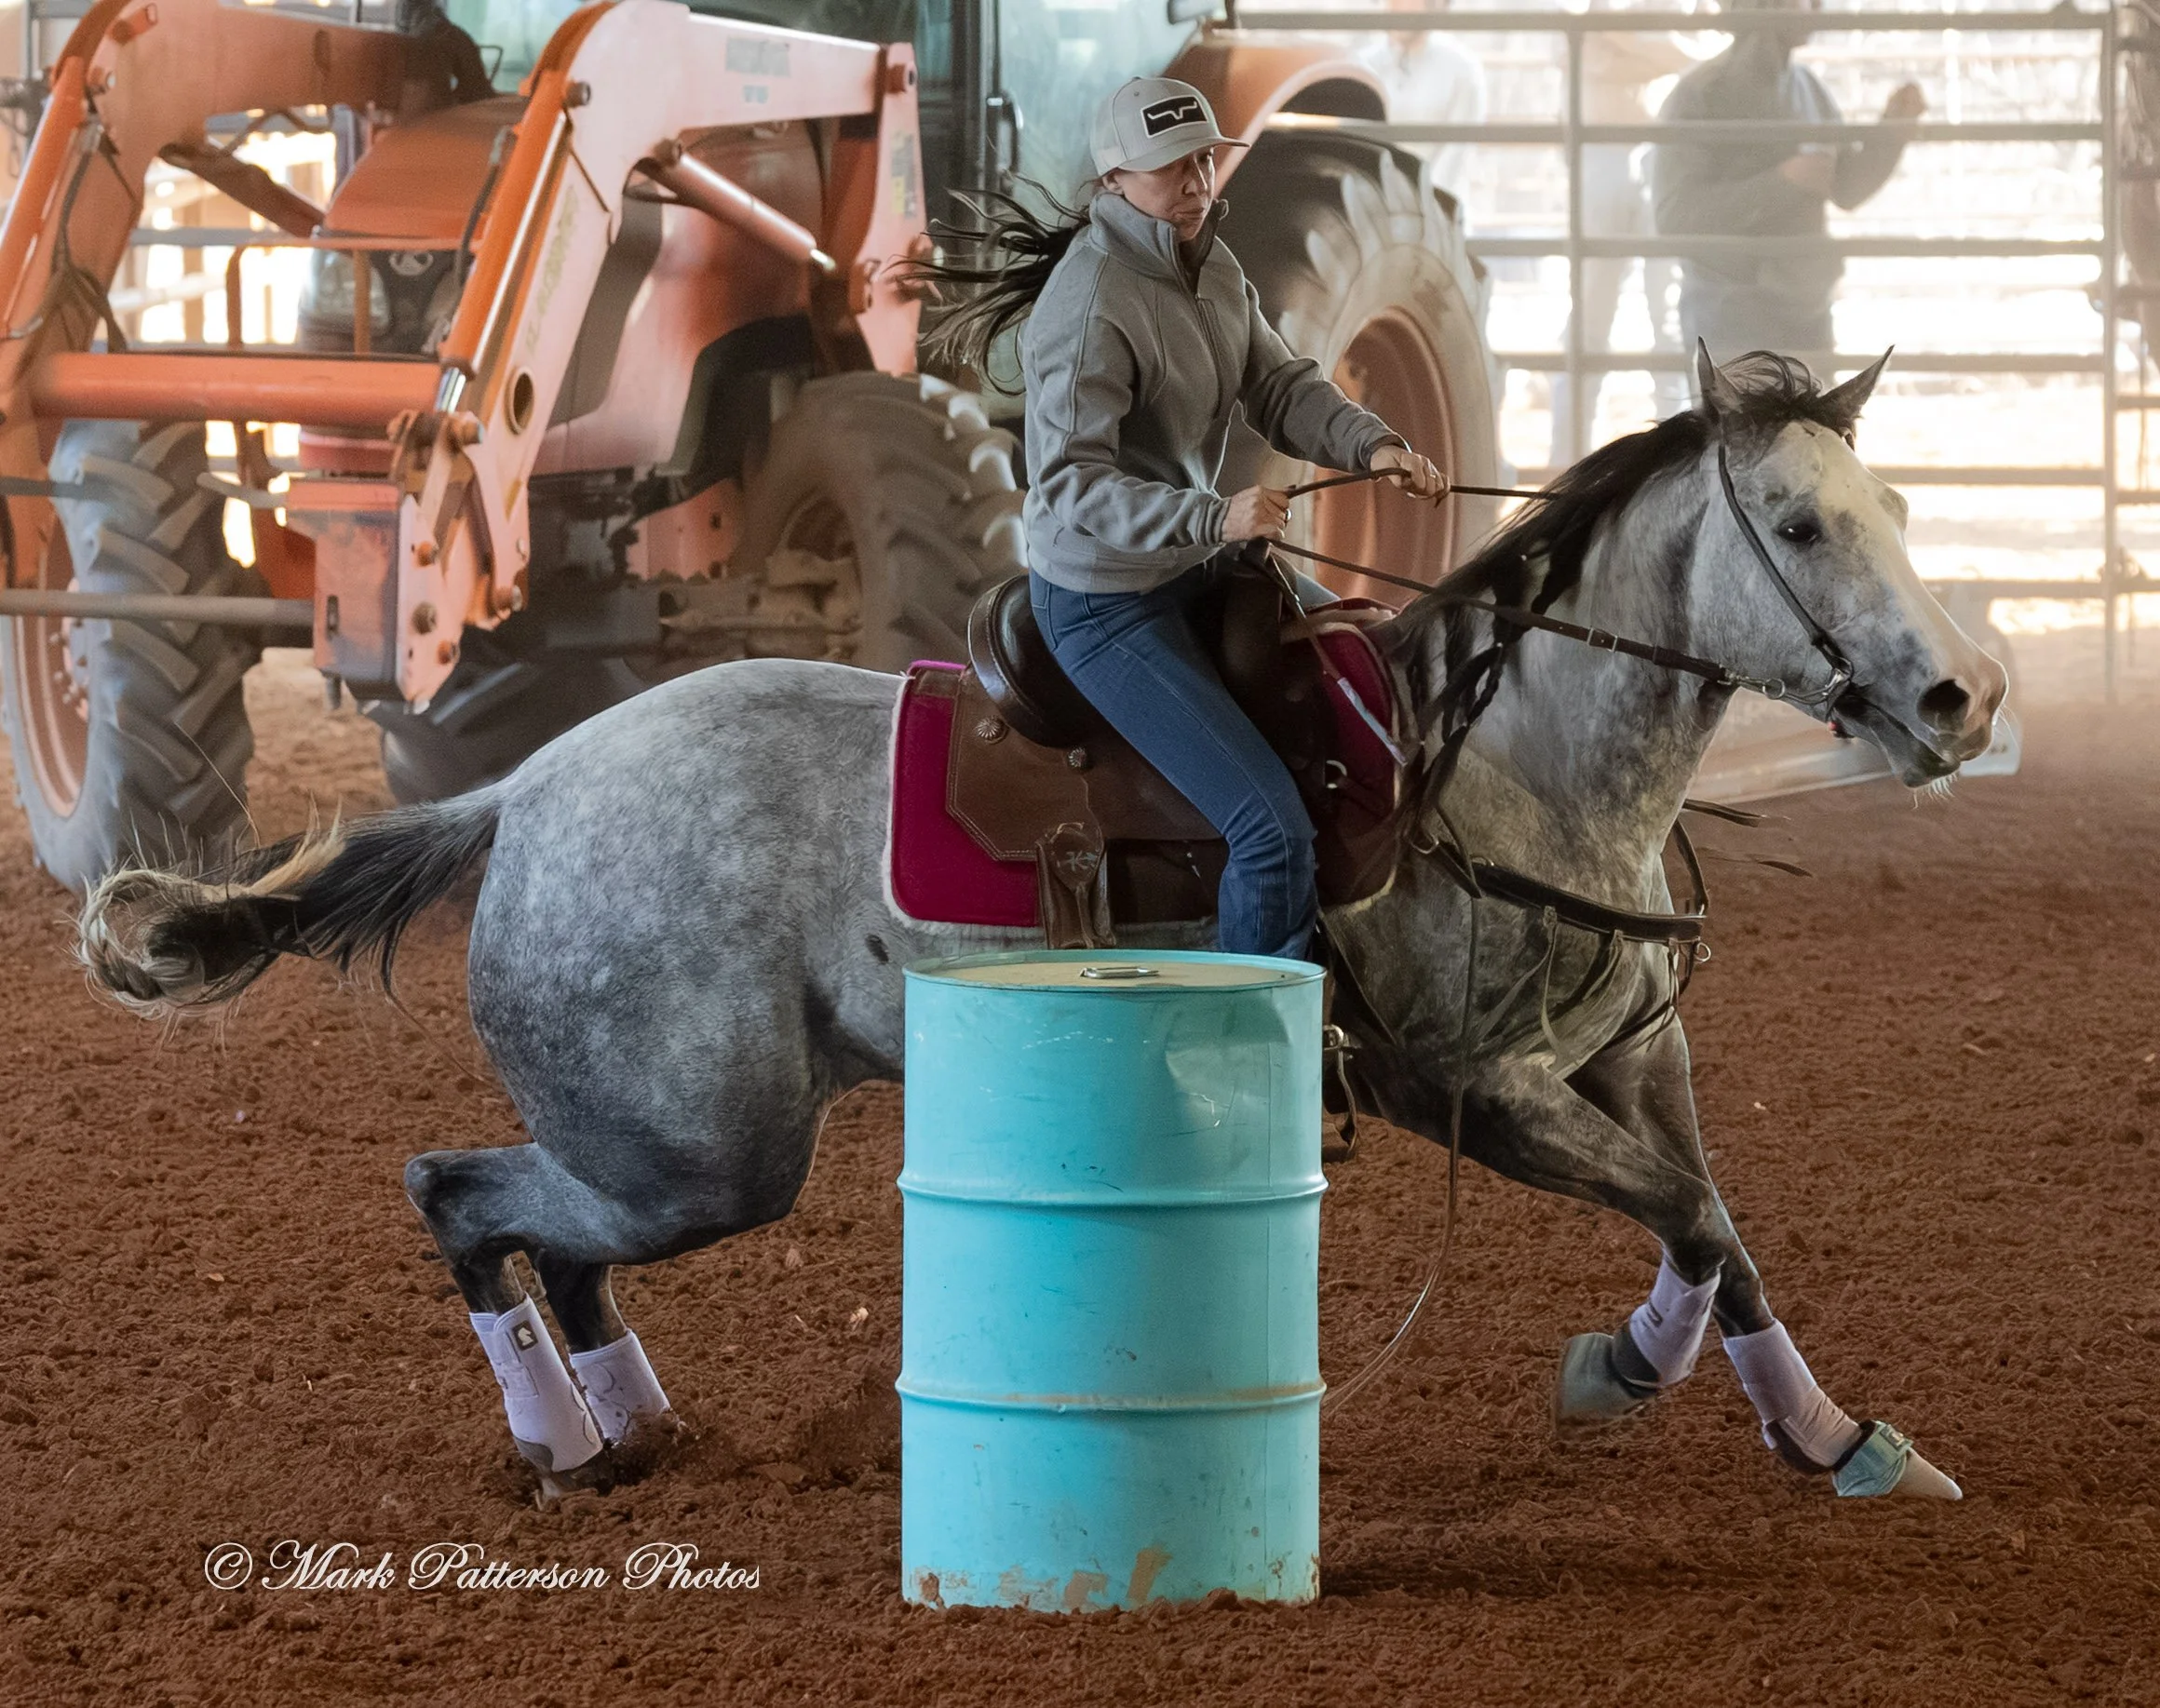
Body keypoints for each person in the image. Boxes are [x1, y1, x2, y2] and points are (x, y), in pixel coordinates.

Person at [909, 78, 1444, 962]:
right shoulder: (1088, 307)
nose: (1198, 178)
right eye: (1173, 167)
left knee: (1375, 663)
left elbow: (1278, 383)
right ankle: (1250, 1057)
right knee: (1268, 830)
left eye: (1203, 156)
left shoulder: (1214, 264)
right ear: (1116, 178)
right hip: (1105, 603)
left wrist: (1371, 444)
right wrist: (1215, 515)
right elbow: (1071, 487)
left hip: (1192, 564)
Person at [1651, 0, 1924, 368]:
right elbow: (1674, 217)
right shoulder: (1701, 94)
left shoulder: (1808, 88)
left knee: (1810, 426)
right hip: (1729, 313)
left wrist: (1891, 132)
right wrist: (1781, 183)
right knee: (1739, 427)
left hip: (1805, 308)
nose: (1817, 6)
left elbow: (1844, 187)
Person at [1550, 0, 1702, 464]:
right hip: (1604, 160)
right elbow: (1575, 45)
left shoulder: (1657, 15)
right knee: (1593, 310)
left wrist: (1624, 39)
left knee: (1670, 314)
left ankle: (1679, 450)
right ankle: (1570, 451)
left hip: (1652, 160)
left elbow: (1692, 54)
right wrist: (1647, 45)